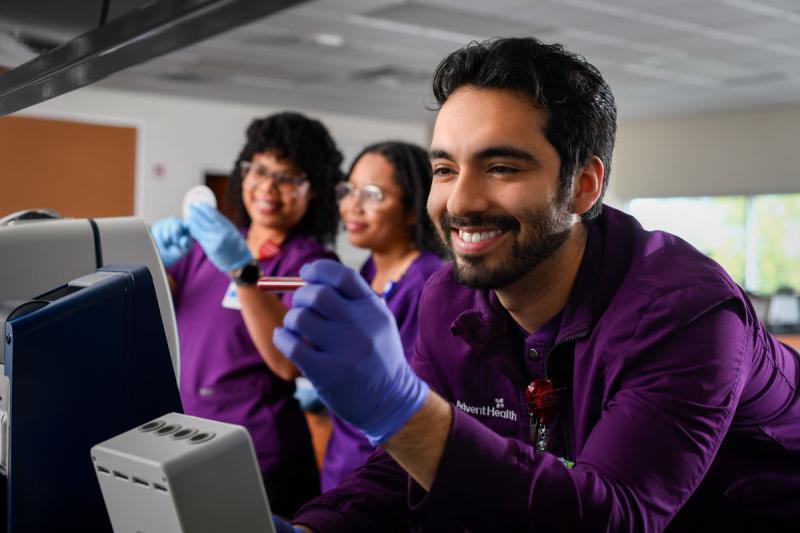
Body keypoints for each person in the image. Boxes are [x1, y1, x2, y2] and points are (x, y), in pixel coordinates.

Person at [271, 38, 800, 532]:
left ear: (582, 186)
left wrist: (401, 409)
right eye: (445, 169)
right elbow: (409, 464)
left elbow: (615, 516)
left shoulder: (686, 313)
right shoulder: (450, 299)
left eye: (500, 167)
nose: (459, 203)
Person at [150, 112, 342, 517]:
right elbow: (159, 313)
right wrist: (152, 262)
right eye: (259, 169)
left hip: (258, 455)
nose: (269, 187)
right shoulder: (208, 245)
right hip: (184, 441)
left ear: (315, 191)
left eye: (288, 177)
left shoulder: (310, 263)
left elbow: (288, 362)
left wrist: (242, 270)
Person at [321, 141, 443, 492]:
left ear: (411, 209)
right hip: (342, 463)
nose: (352, 206)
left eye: (372, 195)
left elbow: (413, 402)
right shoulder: (370, 268)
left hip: (386, 476)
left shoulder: (426, 285)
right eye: (349, 190)